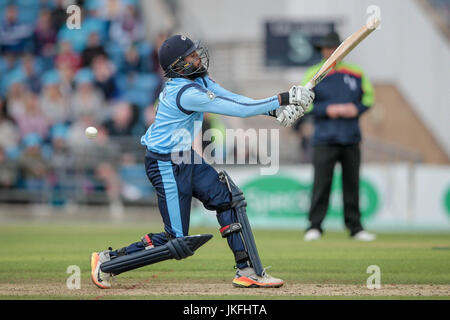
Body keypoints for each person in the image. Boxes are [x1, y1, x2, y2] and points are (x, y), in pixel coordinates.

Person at [90, 34, 315, 289]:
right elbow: (237, 110)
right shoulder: (185, 92)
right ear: (178, 65)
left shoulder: (199, 80)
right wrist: (283, 99)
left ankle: (248, 270)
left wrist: (274, 110)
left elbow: (236, 100)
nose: (198, 58)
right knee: (175, 241)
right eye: (191, 56)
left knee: (229, 199)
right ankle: (108, 261)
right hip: (165, 163)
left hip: (186, 156)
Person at [301, 31, 376, 242]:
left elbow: (368, 98)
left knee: (352, 184)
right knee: (321, 184)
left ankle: (355, 227)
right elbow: (305, 105)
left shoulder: (357, 73)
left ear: (342, 49)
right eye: (327, 47)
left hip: (351, 137)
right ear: (322, 50)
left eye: (334, 47)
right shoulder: (313, 74)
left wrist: (356, 108)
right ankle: (314, 226)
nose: (330, 51)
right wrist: (328, 109)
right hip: (324, 138)